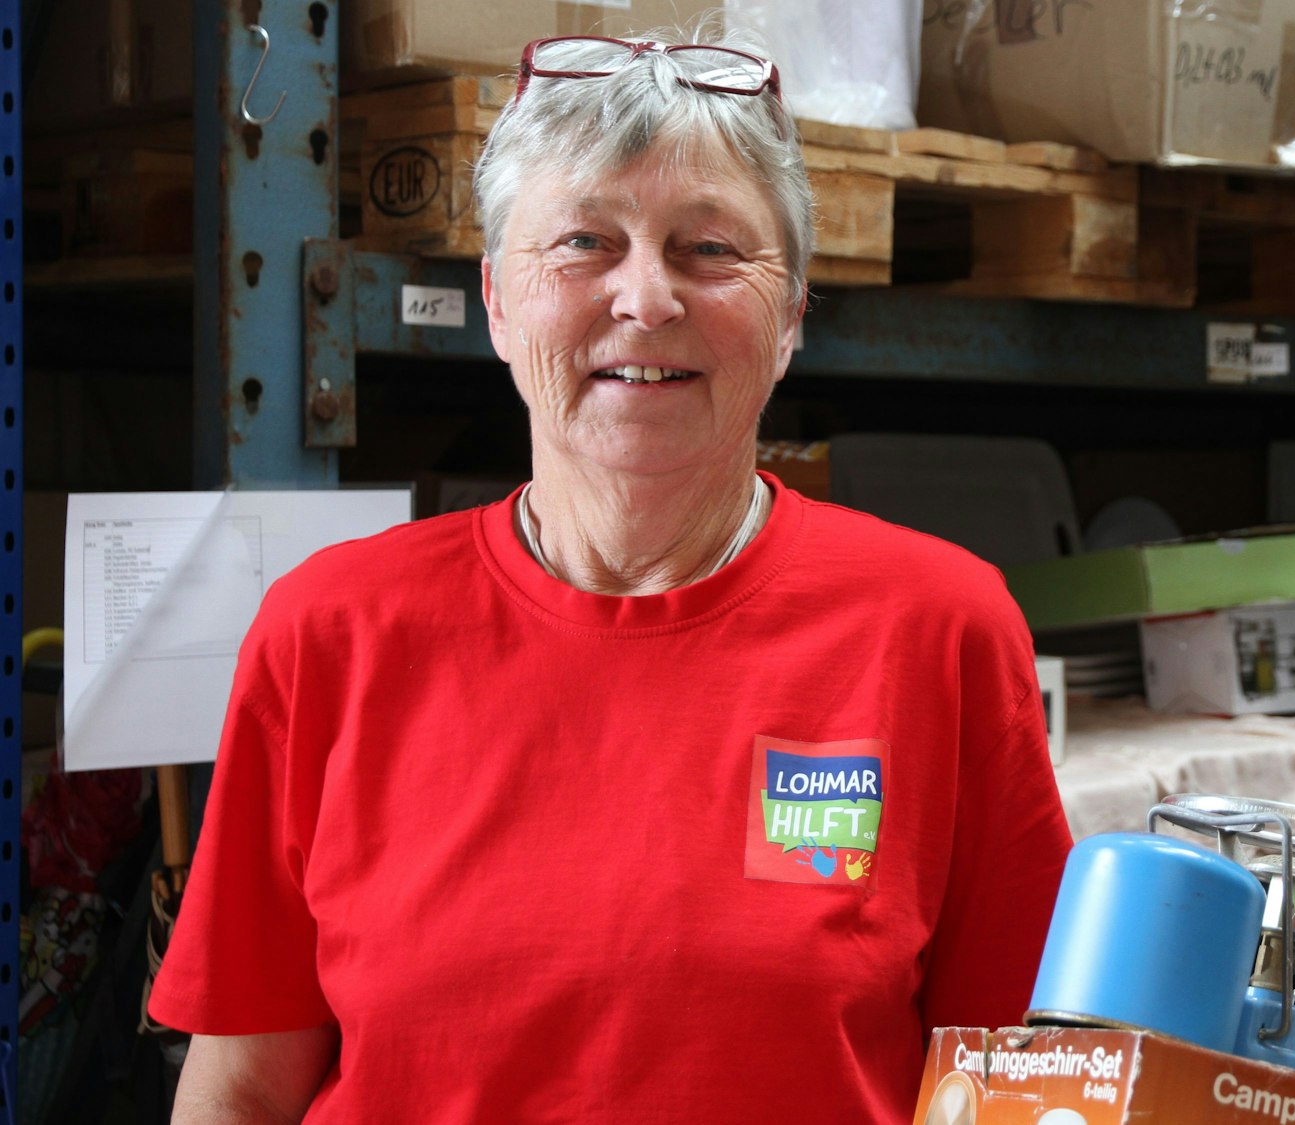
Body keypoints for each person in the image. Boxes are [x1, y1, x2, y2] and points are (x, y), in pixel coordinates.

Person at [148, 28, 1074, 1123]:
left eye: (709, 251)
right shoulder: (331, 632)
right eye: (585, 241)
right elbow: (243, 1092)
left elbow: (1013, 1084)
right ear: (497, 302)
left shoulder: (937, 629)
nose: (646, 299)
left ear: (789, 321)